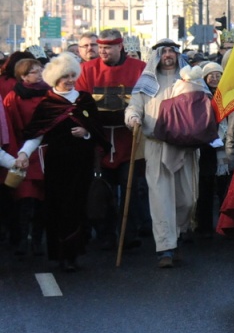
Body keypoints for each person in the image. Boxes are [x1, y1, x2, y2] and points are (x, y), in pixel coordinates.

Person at [14, 54, 108, 271]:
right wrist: (23, 154)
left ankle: (74, 253)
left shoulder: (84, 100)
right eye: (64, 76)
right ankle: (60, 254)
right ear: (55, 79)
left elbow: (97, 131)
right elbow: (36, 134)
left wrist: (86, 133)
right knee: (58, 207)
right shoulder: (48, 104)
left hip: (81, 163)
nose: (69, 80)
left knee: (77, 206)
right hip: (57, 164)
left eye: (72, 75)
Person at [125, 40, 198, 269]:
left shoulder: (190, 79)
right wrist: (133, 118)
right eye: (163, 51)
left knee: (187, 199)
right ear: (157, 56)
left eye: (171, 51)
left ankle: (176, 235)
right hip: (156, 145)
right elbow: (134, 106)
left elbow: (206, 105)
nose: (168, 55)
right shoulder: (147, 82)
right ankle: (165, 248)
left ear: (177, 54)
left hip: (185, 147)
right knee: (160, 199)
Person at [75, 28, 148, 251]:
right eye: (101, 47)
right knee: (101, 190)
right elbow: (80, 105)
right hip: (100, 141)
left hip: (130, 140)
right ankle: (106, 234)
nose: (102, 51)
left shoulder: (139, 69)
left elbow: (148, 99)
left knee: (130, 188)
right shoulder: (86, 70)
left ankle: (129, 234)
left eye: (108, 47)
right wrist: (91, 120)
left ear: (120, 46)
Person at [3, 58, 48, 256]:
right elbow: (10, 128)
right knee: (25, 199)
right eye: (34, 72)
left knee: (43, 201)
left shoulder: (49, 94)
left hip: (46, 152)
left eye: (41, 71)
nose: (39, 75)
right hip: (23, 154)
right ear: (23, 76)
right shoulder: (13, 98)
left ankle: (37, 239)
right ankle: (22, 239)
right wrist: (16, 156)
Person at [196, 62, 230, 238]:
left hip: (225, 146)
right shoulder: (201, 96)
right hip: (206, 147)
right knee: (205, 187)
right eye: (211, 75)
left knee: (225, 187)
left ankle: (226, 225)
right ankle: (204, 226)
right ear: (204, 78)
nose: (215, 78)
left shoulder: (229, 94)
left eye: (218, 74)